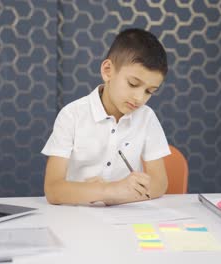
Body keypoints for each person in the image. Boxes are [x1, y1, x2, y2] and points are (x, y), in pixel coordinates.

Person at [42, 28, 171, 205]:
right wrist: (110, 190)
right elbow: (53, 190)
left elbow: (160, 183)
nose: (139, 98)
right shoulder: (71, 115)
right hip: (76, 218)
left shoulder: (147, 118)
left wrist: (115, 195)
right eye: (133, 84)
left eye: (149, 91)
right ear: (108, 71)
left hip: (126, 220)